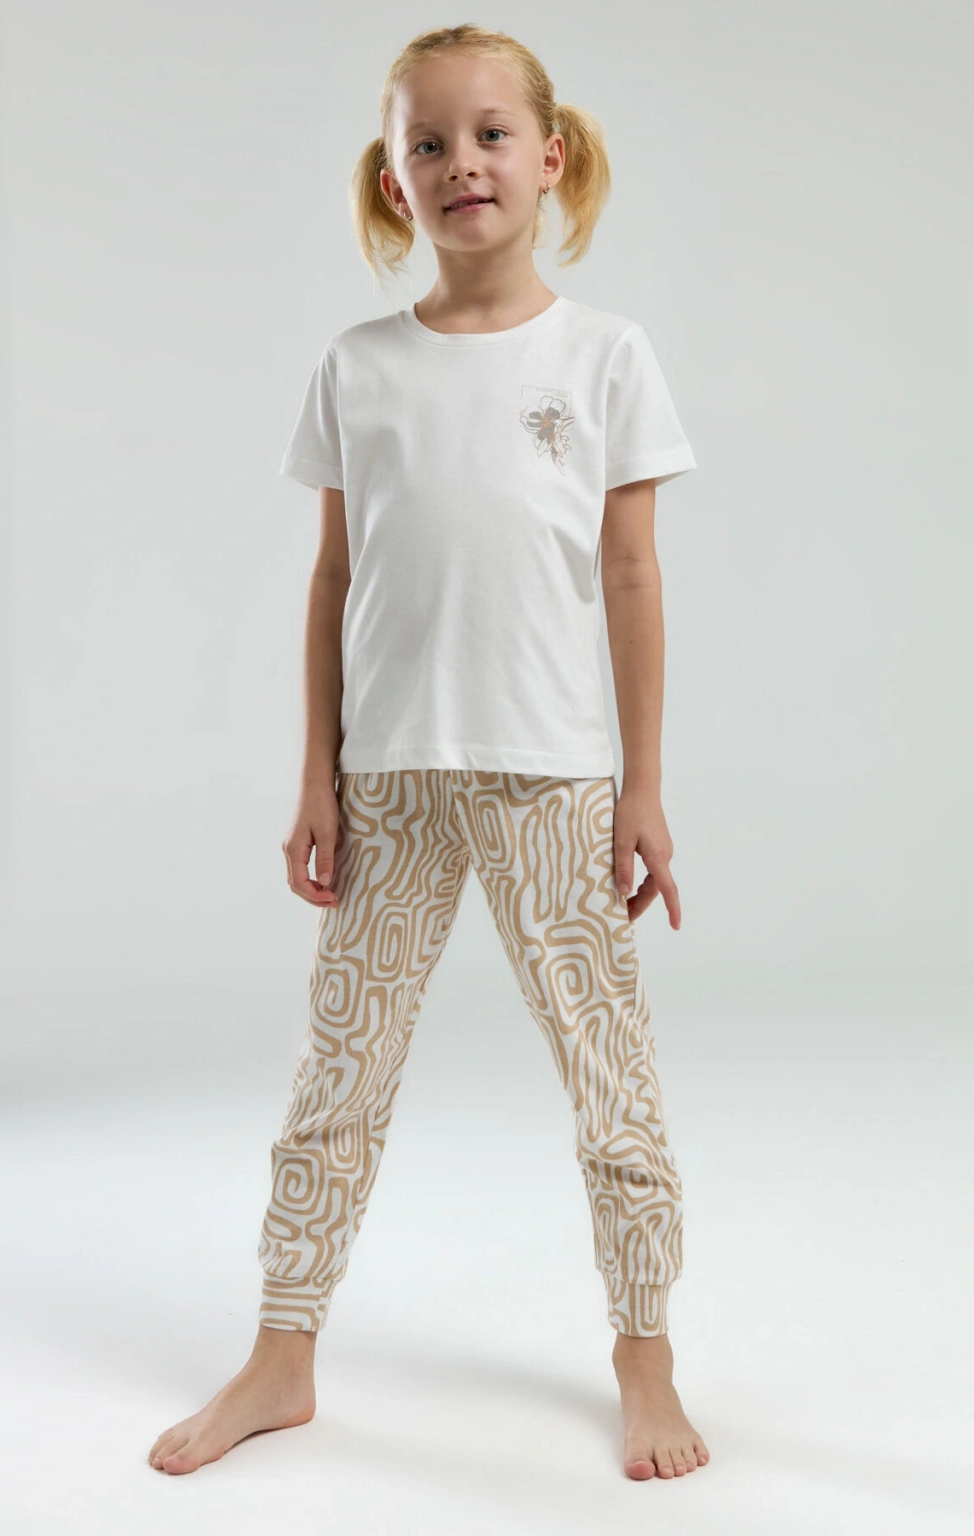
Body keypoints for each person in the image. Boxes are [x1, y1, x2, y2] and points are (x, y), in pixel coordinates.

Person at [148, 22, 710, 1482]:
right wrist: (316, 776)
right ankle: (281, 1355)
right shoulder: (360, 368)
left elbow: (632, 576)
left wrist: (643, 785)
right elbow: (336, 578)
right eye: (429, 142)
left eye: (490, 134)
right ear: (393, 178)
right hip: (389, 782)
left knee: (611, 1081)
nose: (463, 162)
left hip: (552, 779)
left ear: (551, 156)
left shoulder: (605, 357)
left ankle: (645, 1358)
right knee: (338, 1080)